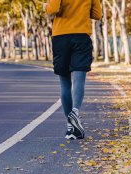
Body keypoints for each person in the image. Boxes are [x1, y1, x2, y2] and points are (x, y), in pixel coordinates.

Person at [45, 0, 102, 140]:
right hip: (81, 36)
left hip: (60, 37)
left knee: (65, 83)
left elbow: (53, 8)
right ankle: (75, 113)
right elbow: (97, 14)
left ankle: (71, 127)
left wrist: (45, 6)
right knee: (79, 79)